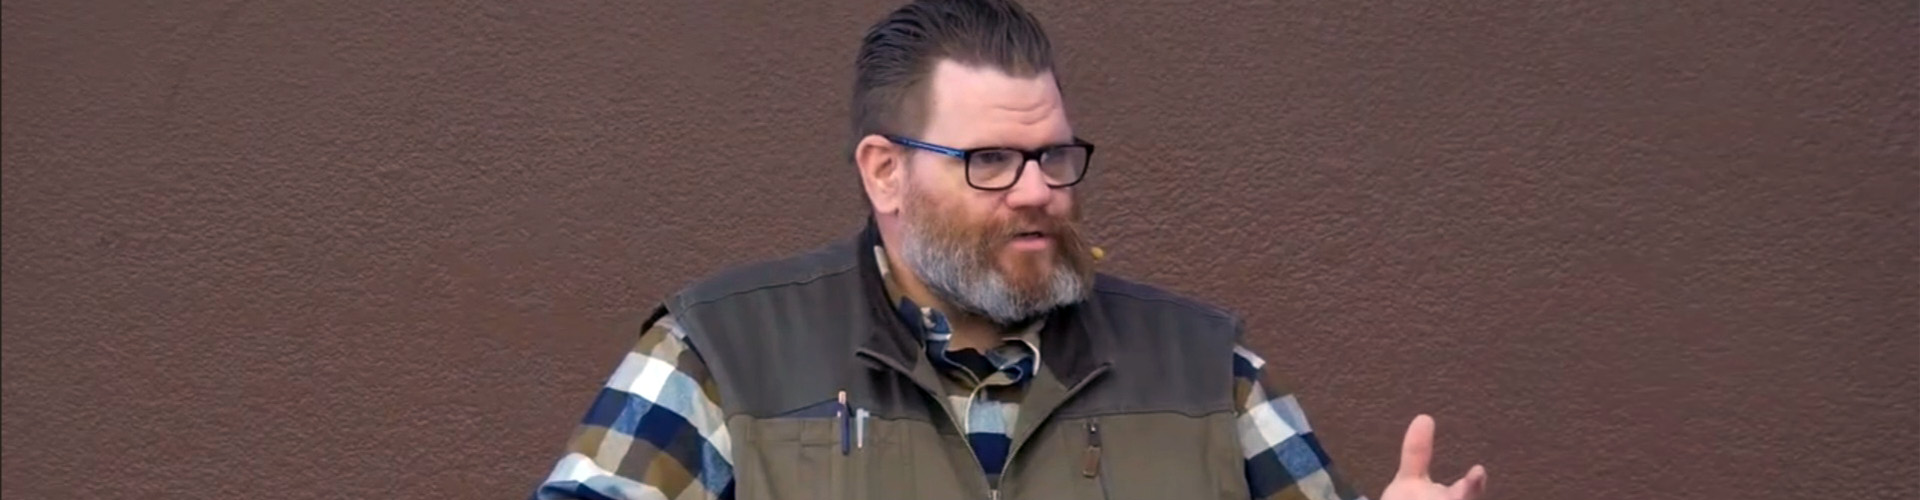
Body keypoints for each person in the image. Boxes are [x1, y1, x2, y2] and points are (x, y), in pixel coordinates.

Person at [530, 1, 1488, 499]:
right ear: (885, 173)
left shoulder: (1207, 371)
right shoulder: (724, 356)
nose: (1038, 190)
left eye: (1053, 155)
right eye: (989, 160)